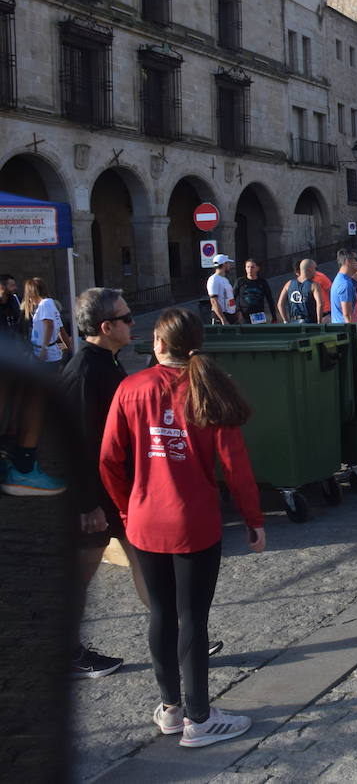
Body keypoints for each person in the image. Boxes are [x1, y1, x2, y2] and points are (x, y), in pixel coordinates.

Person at [99, 307, 265, 746]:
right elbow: (236, 466)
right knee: (193, 617)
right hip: (194, 521)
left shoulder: (130, 388)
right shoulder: (210, 387)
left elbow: (109, 460)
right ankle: (200, 718)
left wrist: (125, 509)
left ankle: (172, 708)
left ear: (157, 343)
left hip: (145, 519)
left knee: (161, 612)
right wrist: (253, 519)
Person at [59, 288, 135, 679]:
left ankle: (177, 635)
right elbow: (77, 444)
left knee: (146, 560)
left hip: (114, 490)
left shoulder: (107, 360)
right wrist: (88, 505)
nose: (132, 323)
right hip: (90, 498)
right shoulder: (88, 372)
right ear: (106, 327)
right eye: (127, 318)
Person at [23, 276, 68, 368]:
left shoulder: (45, 304)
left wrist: (44, 348)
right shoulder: (49, 304)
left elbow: (49, 325)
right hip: (43, 352)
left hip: (46, 354)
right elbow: (60, 328)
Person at [277, 259, 326, 324]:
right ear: (310, 269)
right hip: (310, 322)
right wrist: (319, 322)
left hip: (293, 322)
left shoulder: (288, 284)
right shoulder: (314, 285)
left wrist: (285, 321)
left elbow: (280, 304)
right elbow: (320, 304)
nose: (316, 271)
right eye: (315, 268)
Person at [233, 259, 277, 324]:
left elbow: (270, 299)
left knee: (258, 332)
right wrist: (237, 311)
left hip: (258, 315)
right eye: (248, 267)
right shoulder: (240, 281)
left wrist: (274, 317)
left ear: (257, 268)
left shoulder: (262, 282)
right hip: (244, 315)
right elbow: (233, 297)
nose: (250, 269)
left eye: (252, 267)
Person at [205, 255, 239, 326]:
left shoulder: (225, 279)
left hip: (230, 315)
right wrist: (223, 319)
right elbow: (214, 301)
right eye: (228, 263)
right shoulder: (213, 279)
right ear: (224, 264)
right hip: (222, 317)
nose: (229, 266)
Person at [330, 248, 357, 324]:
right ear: (348, 262)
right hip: (344, 329)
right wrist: (352, 333)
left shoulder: (340, 279)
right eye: (356, 259)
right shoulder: (345, 283)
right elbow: (347, 315)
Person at [0, 273, 23, 347]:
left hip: (17, 346)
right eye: (12, 286)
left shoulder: (17, 301)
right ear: (2, 287)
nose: (15, 288)